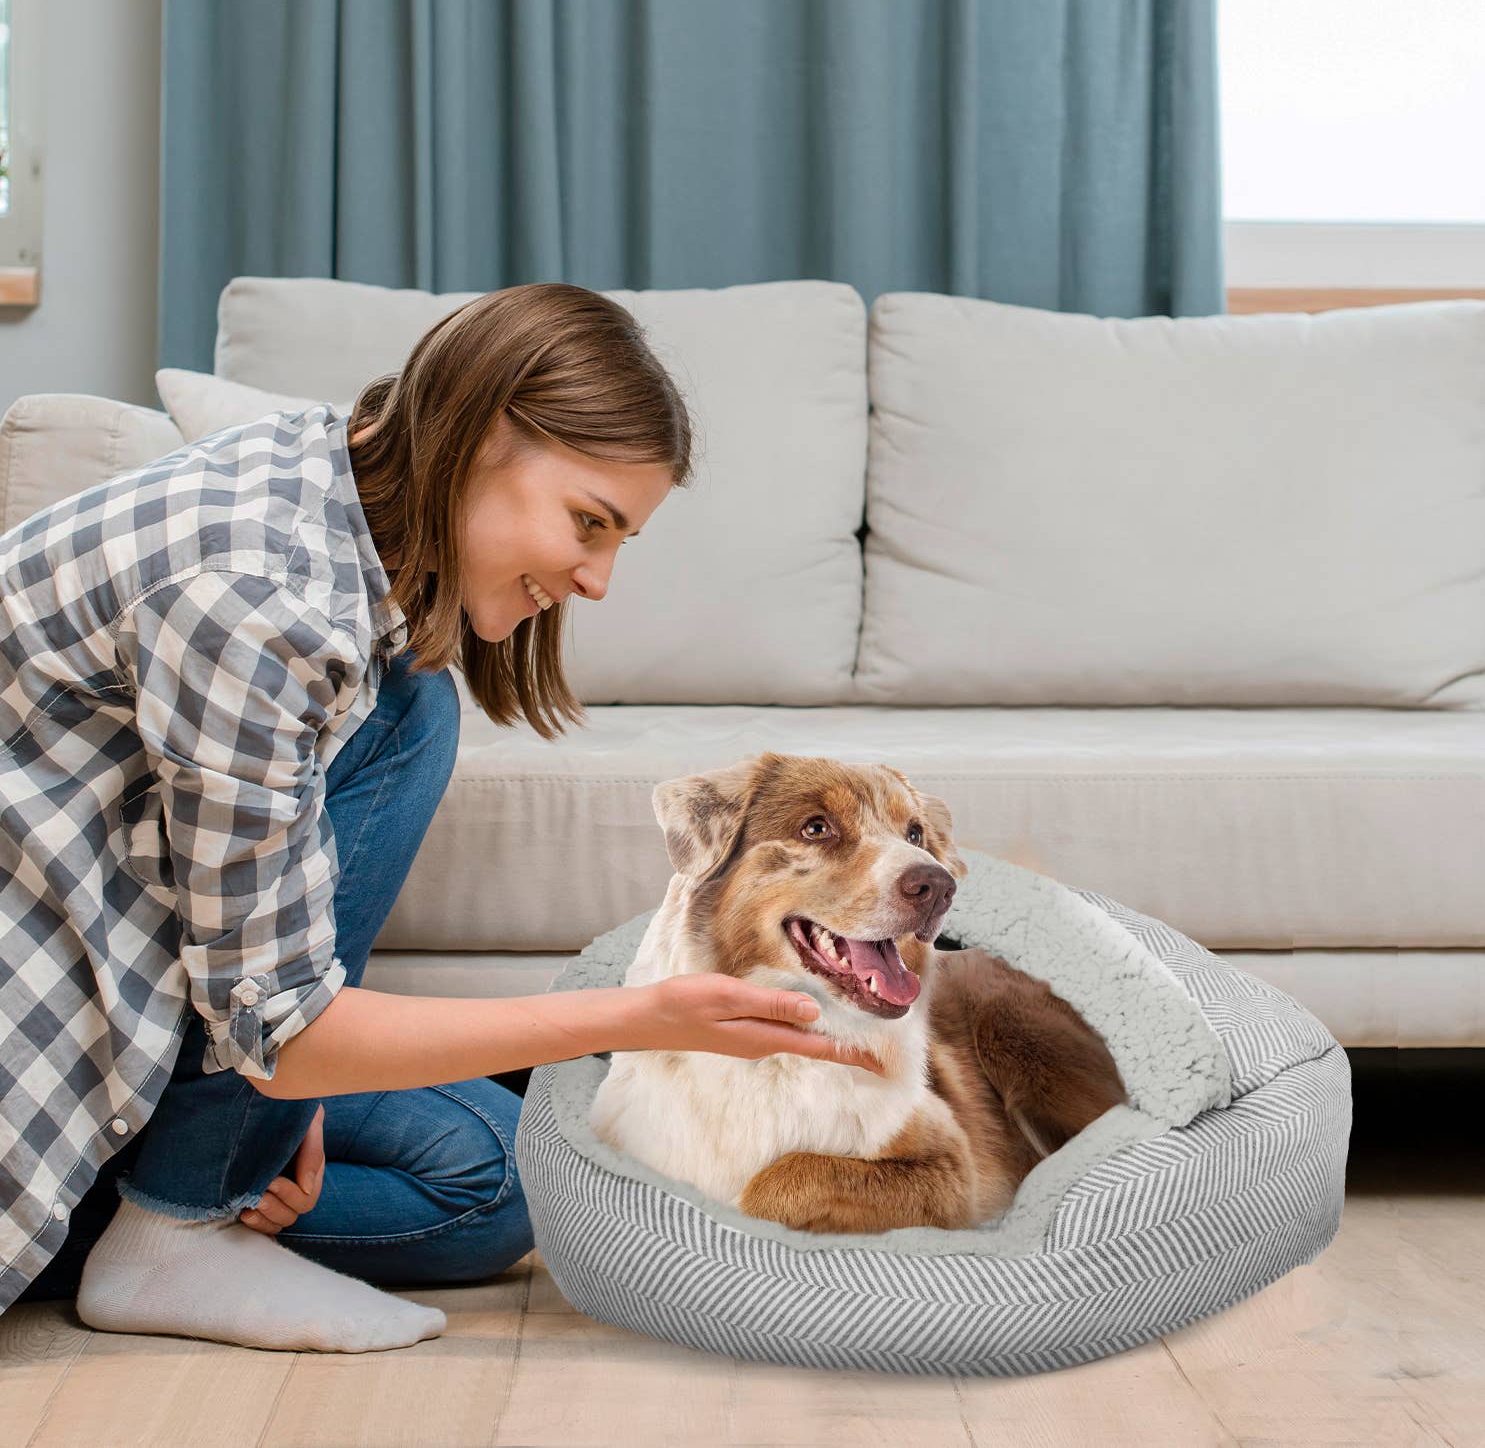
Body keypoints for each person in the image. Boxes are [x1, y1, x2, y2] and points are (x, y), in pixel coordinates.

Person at [0, 283, 882, 1353]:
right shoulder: (254, 598)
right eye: (588, 523)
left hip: (165, 995)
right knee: (411, 715)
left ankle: (169, 1195)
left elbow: (264, 967)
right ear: (480, 434)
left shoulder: (330, 489)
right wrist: (637, 1014)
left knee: (507, 1177)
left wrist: (270, 1092)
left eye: (621, 541)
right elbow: (282, 1036)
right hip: (41, 1035)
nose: (598, 580)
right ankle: (158, 1231)